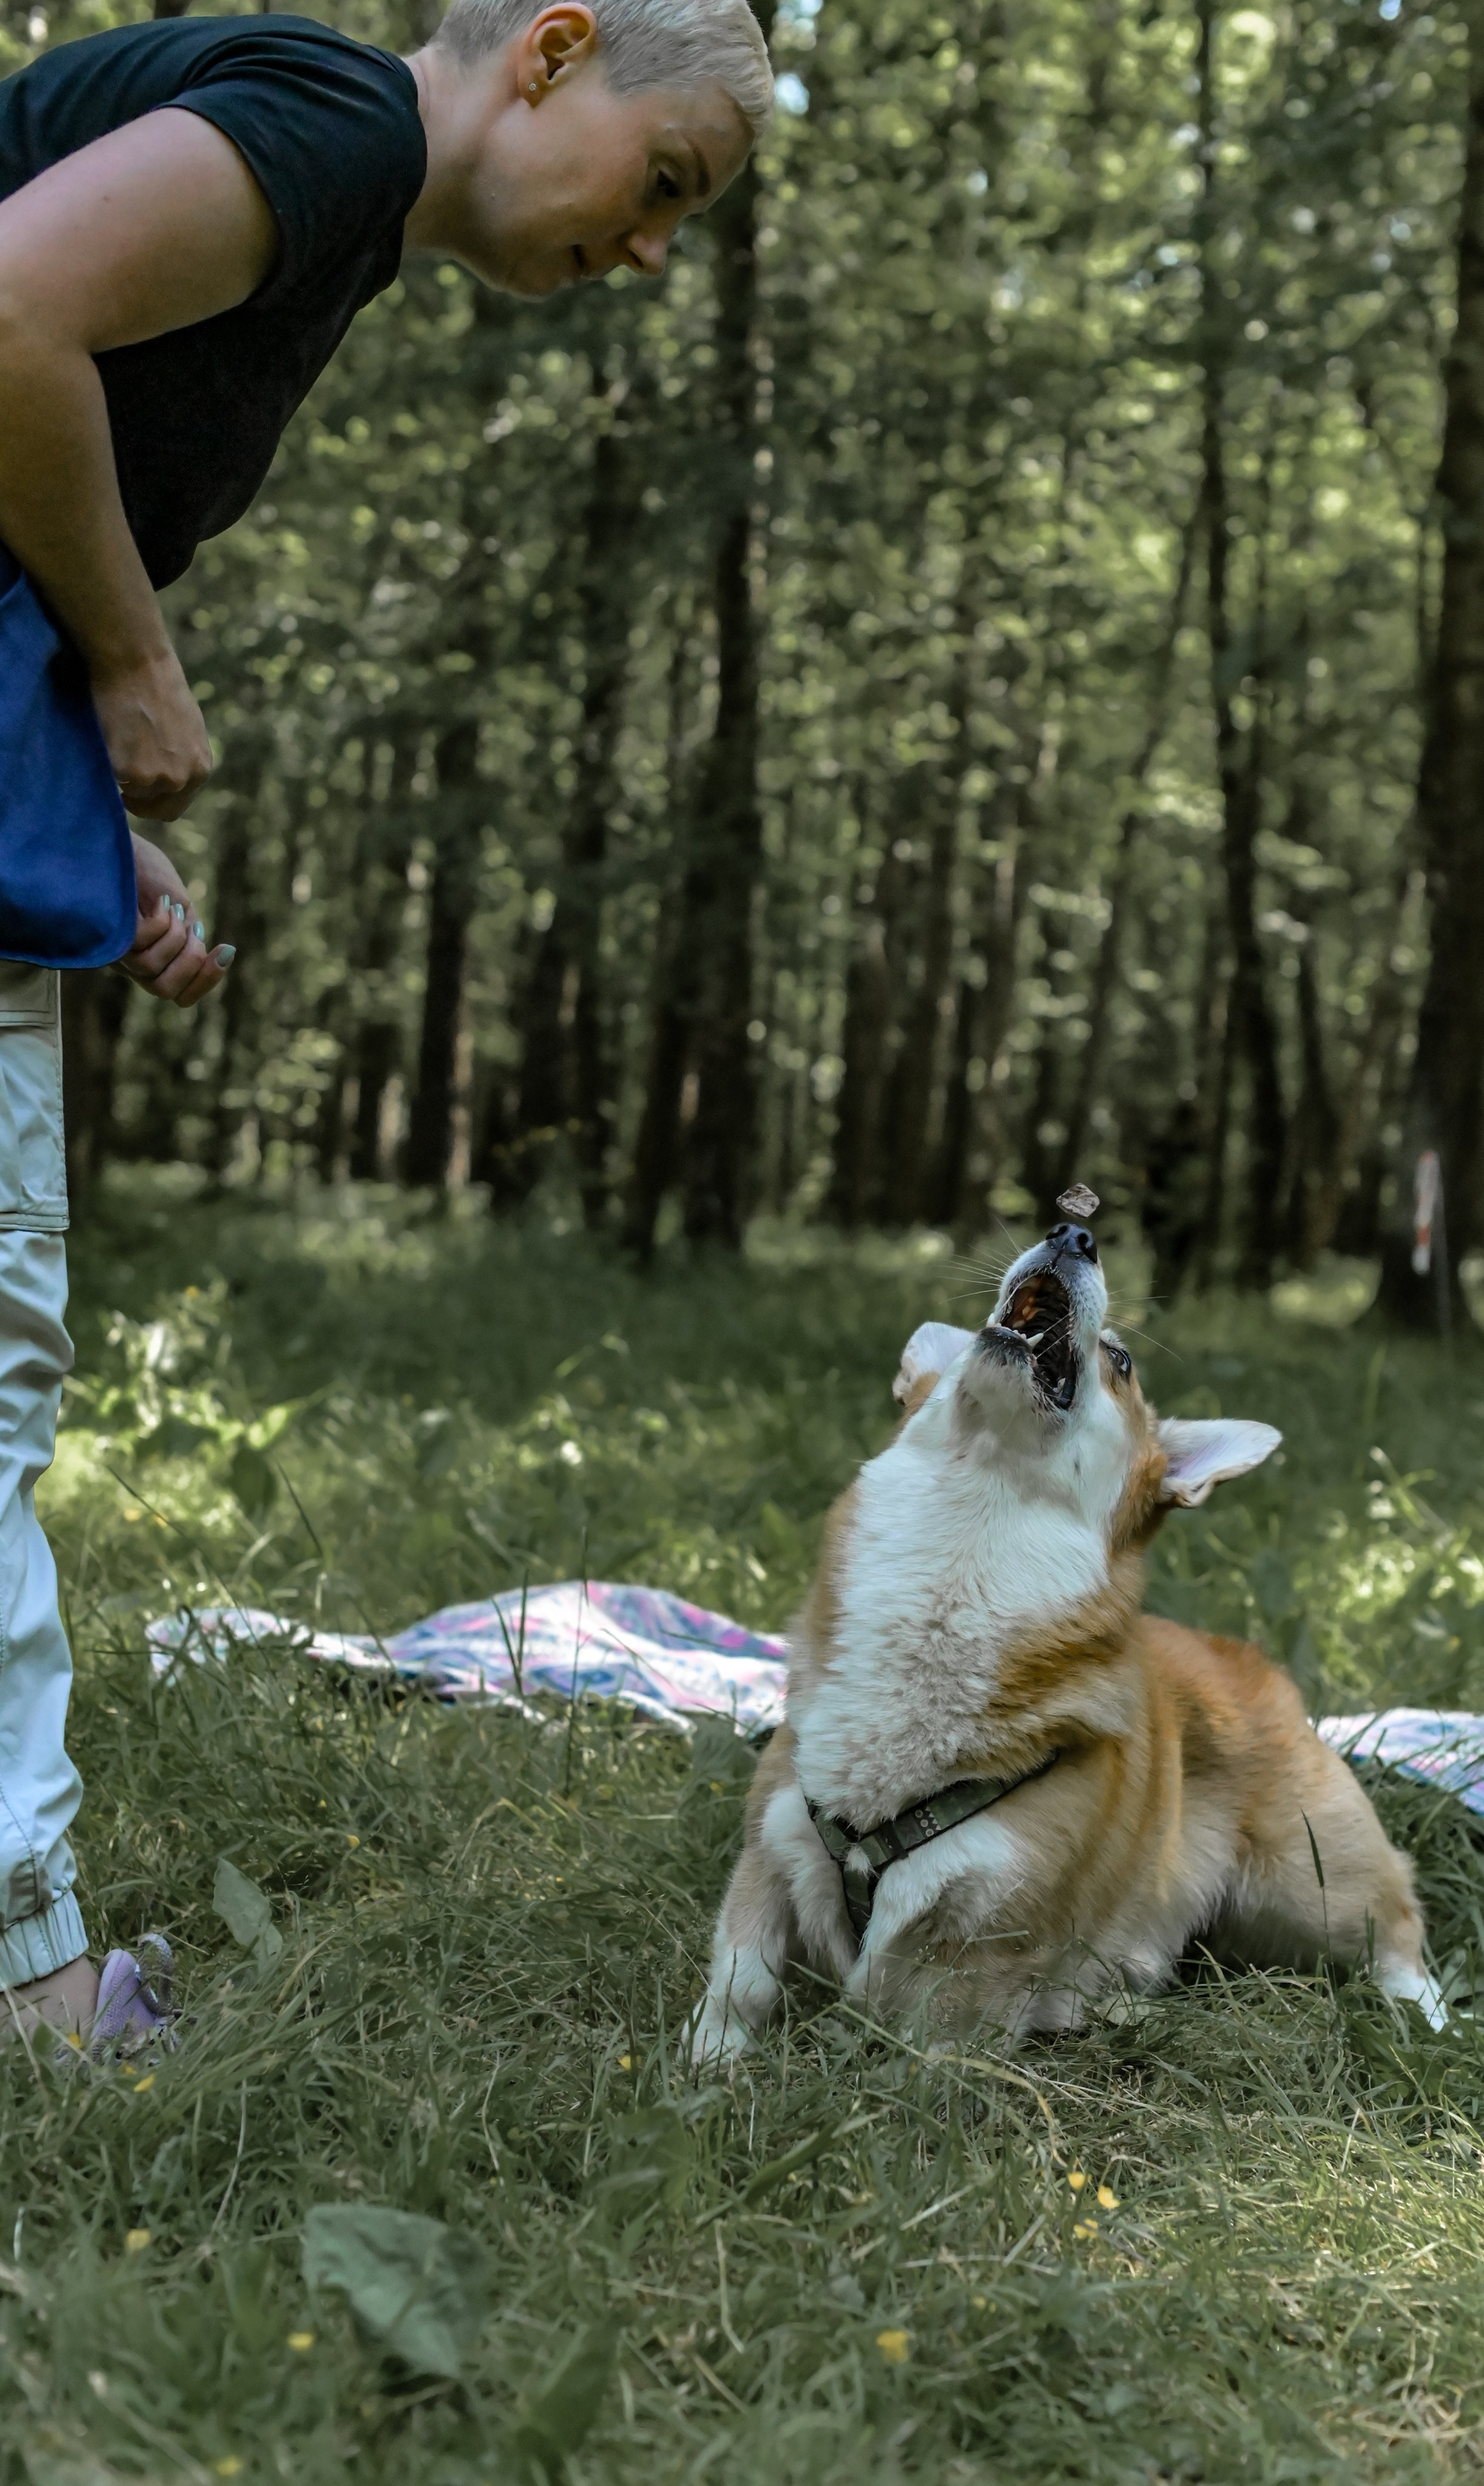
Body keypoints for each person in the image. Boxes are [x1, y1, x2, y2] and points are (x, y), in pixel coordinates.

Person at [0, 0, 771, 2047]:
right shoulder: (337, 127)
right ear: (549, 52)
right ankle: (29, 1992)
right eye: (661, 183)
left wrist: (86, 818)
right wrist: (141, 666)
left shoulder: (323, 191)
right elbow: (2, 315)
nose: (645, 254)